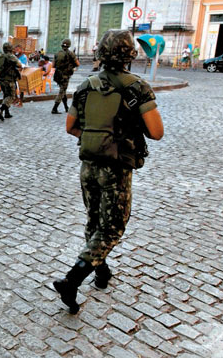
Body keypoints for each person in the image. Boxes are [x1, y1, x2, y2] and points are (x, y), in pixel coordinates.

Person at [53, 29, 164, 313]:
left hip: (88, 166)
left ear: (101, 53)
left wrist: (96, 138)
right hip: (116, 169)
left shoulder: (86, 86)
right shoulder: (137, 87)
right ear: (130, 55)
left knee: (94, 221)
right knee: (113, 227)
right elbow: (156, 132)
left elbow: (70, 127)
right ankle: (72, 280)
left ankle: (101, 272)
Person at [0, 42, 22, 120]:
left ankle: (7, 113)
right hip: (9, 79)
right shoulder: (11, 56)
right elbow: (20, 65)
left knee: (6, 95)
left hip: (0, 79)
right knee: (11, 96)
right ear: (10, 48)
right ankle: (1, 109)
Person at [51, 39, 79, 114]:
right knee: (62, 91)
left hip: (57, 75)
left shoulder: (57, 53)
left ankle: (66, 107)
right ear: (69, 45)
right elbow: (77, 64)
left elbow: (53, 65)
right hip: (65, 75)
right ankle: (54, 108)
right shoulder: (71, 54)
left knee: (63, 90)